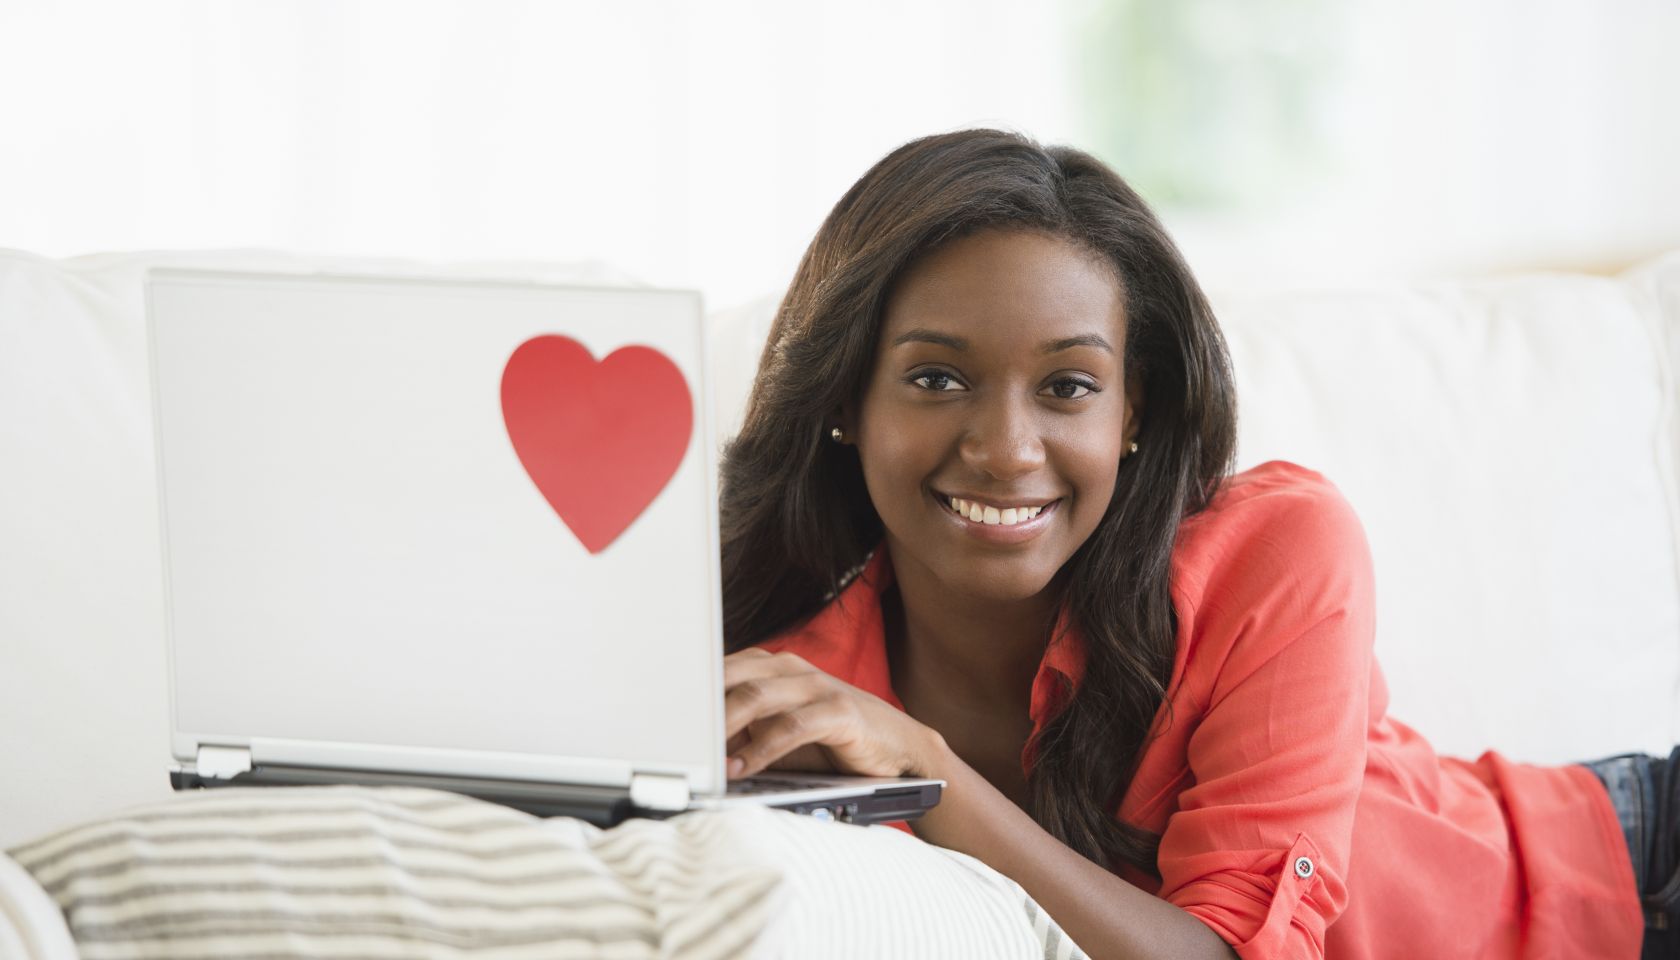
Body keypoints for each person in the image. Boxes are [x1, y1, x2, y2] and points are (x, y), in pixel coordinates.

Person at [712, 128, 1678, 959]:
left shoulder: (1277, 550)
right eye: (935, 379)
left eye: (1069, 387)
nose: (1006, 452)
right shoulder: (797, 690)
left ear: (1136, 412)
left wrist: (923, 772)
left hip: (1622, 872)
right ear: (846, 401)